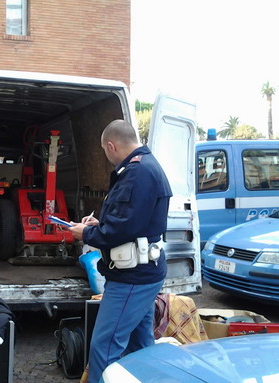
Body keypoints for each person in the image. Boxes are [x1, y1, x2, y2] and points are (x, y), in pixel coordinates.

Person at [68, 119, 172, 383]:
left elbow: (122, 228)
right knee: (141, 345)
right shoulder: (147, 166)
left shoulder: (136, 173)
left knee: (104, 348)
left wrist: (87, 233)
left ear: (111, 146)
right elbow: (133, 221)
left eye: (105, 151)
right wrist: (99, 223)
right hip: (144, 273)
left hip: (131, 279)